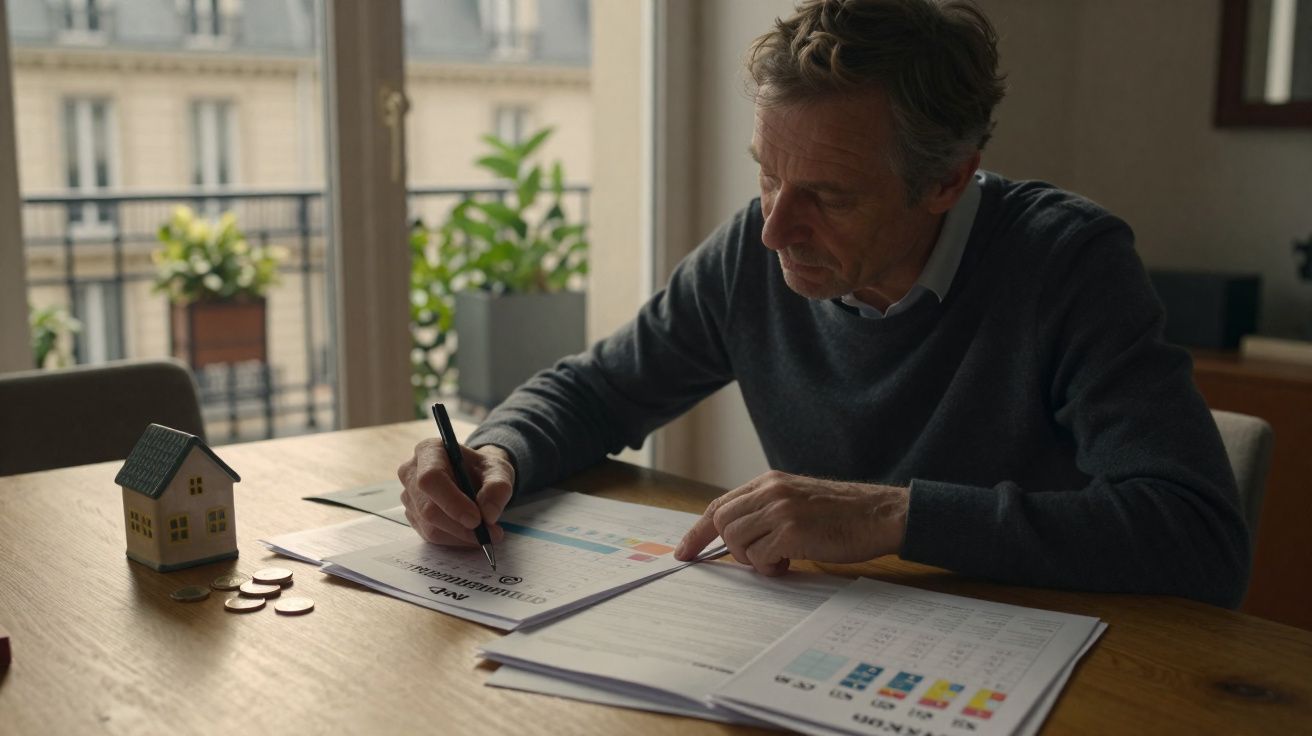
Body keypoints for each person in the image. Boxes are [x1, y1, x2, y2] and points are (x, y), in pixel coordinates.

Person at [398, 0, 1250, 608]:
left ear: (947, 181)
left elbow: (1200, 537)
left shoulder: (1068, 263)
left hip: (1042, 667)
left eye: (830, 196)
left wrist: (891, 514)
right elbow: (597, 390)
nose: (775, 229)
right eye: (768, 175)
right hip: (833, 641)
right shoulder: (753, 250)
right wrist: (495, 453)